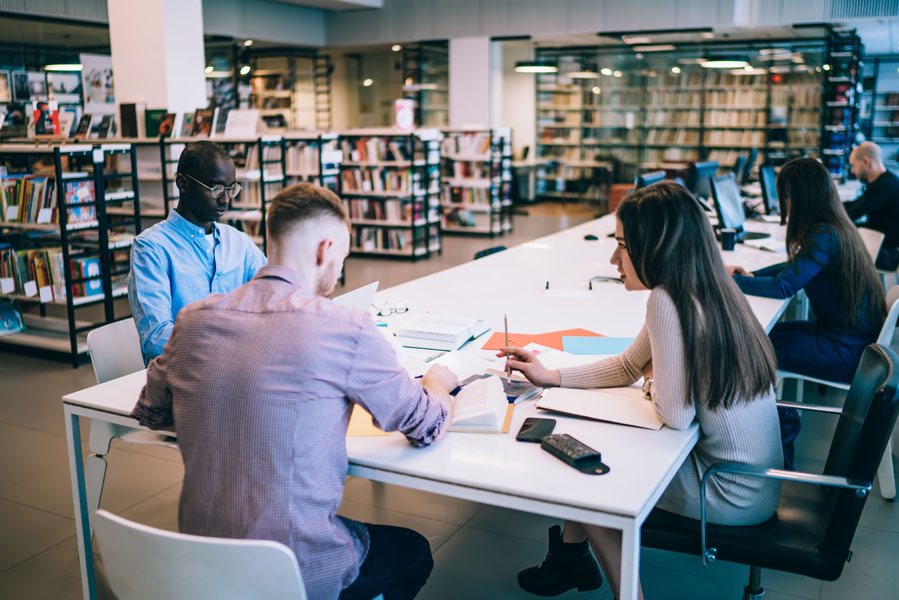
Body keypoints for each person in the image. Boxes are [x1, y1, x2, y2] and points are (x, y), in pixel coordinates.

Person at [131, 182, 458, 600]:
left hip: (201, 564)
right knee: (413, 551)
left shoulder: (192, 320)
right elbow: (426, 426)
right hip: (294, 573)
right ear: (325, 250)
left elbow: (154, 412)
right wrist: (438, 382)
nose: (338, 270)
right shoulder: (346, 326)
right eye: (342, 256)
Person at [505, 182, 782, 600]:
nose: (613, 258)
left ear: (657, 245)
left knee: (588, 479)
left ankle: (624, 592)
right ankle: (570, 559)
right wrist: (550, 376)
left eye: (623, 245)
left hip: (726, 489)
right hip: (758, 483)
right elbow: (627, 365)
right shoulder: (712, 287)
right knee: (594, 446)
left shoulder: (668, 301)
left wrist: (656, 382)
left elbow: (675, 413)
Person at [728, 157, 886, 469]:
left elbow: (784, 286)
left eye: (785, 195)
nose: (782, 203)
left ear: (799, 197)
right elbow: (792, 270)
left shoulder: (824, 234)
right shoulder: (831, 226)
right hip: (847, 341)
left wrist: (731, 281)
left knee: (753, 346)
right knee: (758, 336)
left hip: (845, 352)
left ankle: (770, 445)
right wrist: (748, 277)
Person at [127, 140, 266, 364]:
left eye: (231, 189)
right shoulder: (151, 248)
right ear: (182, 183)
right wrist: (229, 344)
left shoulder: (239, 242)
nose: (225, 199)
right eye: (216, 189)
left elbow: (275, 294)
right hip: (181, 379)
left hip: (237, 368)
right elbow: (156, 338)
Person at [846, 141, 899, 270]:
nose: (852, 171)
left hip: (885, 253)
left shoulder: (883, 186)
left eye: (853, 165)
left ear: (865, 162)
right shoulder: (885, 181)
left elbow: (854, 212)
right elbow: (856, 204)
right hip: (881, 243)